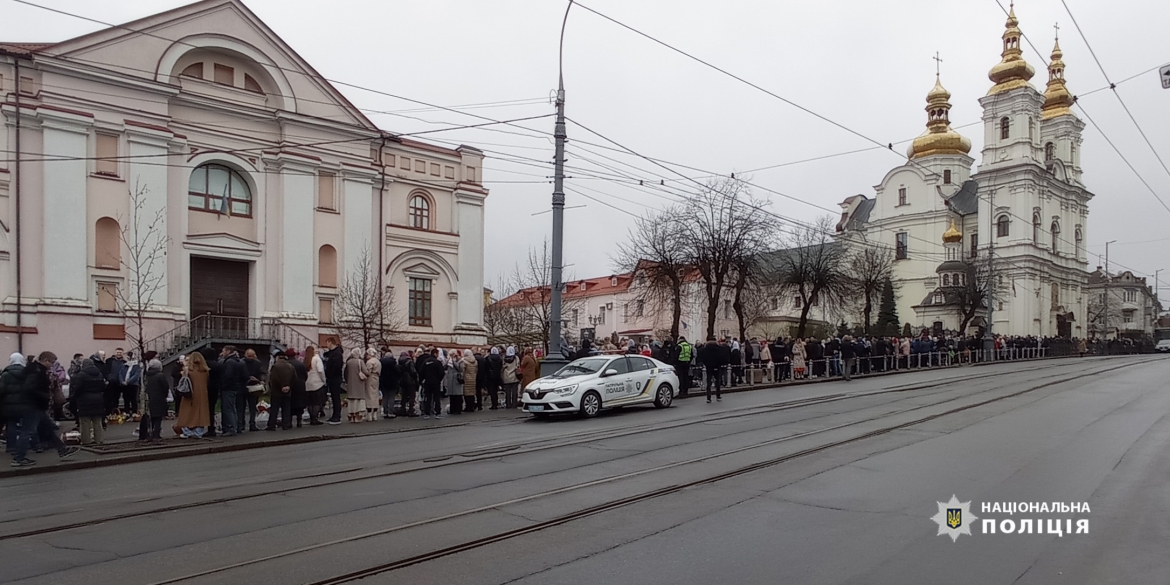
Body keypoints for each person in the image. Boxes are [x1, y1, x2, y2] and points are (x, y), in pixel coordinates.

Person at [3, 352, 80, 466]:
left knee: (48, 428)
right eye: (52, 363)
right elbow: (30, 388)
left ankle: (62, 449)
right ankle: (18, 458)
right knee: (27, 431)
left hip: (35, 405)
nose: (52, 365)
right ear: (46, 360)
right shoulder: (37, 372)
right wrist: (45, 396)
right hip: (32, 406)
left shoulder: (34, 369)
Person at [71, 358, 107, 446]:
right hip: (98, 399)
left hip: (84, 400)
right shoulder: (99, 374)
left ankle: (86, 441)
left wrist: (75, 397)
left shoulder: (82, 375)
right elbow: (103, 387)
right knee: (97, 422)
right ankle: (99, 440)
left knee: (85, 421)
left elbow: (78, 388)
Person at [175, 352, 211, 438]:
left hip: (190, 393)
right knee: (201, 413)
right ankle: (199, 432)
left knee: (186, 413)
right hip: (202, 394)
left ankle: (187, 432)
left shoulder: (188, 370)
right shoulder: (205, 371)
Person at [217, 346, 248, 436]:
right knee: (233, 409)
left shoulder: (229, 362)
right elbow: (245, 376)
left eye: (223, 351)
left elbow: (228, 376)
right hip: (236, 387)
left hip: (228, 388)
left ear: (228, 351)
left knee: (228, 409)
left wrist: (223, 385)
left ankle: (231, 428)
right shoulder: (239, 361)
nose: (222, 353)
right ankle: (236, 426)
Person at [139, 359, 168, 444]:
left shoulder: (145, 376)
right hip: (159, 399)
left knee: (149, 417)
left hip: (148, 399)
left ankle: (149, 434)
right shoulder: (160, 376)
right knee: (158, 418)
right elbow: (165, 388)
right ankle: (156, 435)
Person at [266, 350, 295, 430]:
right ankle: (286, 424)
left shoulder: (275, 366)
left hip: (276, 392)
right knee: (286, 409)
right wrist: (288, 386)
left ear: (277, 358)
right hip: (287, 391)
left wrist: (281, 386)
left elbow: (274, 379)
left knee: (274, 409)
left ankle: (271, 425)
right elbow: (295, 379)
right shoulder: (290, 366)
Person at [243, 349, 266, 432]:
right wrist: (261, 380)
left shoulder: (242, 362)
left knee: (243, 407)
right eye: (249, 356)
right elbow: (263, 373)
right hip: (253, 387)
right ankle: (251, 424)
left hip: (246, 386)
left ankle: (243, 424)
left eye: (251, 356)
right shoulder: (258, 363)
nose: (250, 358)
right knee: (252, 407)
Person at [699, 337, 728, 403]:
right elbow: (722, 357)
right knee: (717, 381)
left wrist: (706, 364)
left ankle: (708, 397)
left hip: (709, 367)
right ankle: (718, 395)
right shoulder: (719, 348)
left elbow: (702, 358)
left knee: (708, 382)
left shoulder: (705, 349)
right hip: (717, 366)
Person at [323, 339, 345, 425]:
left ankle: (337, 416)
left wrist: (330, 374)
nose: (326, 345)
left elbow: (336, 366)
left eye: (327, 343)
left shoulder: (337, 354)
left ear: (330, 343)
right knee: (333, 397)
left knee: (336, 398)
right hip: (332, 378)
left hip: (335, 378)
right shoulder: (333, 353)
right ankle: (334, 415)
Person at [420, 348, 446, 419]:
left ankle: (427, 413)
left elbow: (421, 372)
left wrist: (422, 380)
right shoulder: (437, 362)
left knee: (428, 398)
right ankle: (438, 413)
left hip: (427, 382)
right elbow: (442, 373)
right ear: (435, 354)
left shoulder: (426, 362)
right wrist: (439, 380)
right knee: (436, 398)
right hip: (436, 383)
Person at [303, 346, 326, 426]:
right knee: (317, 402)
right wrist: (323, 380)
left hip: (308, 384)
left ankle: (311, 417)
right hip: (317, 383)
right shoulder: (316, 359)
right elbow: (320, 371)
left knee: (310, 403)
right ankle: (315, 418)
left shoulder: (306, 360)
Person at [344, 348, 368, 423]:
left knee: (351, 399)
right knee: (359, 399)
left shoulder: (348, 362)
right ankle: (358, 415)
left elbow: (345, 373)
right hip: (359, 383)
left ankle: (351, 415)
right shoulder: (360, 361)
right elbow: (366, 372)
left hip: (350, 383)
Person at [287, 349, 308, 428]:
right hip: (300, 386)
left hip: (290, 386)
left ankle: (289, 422)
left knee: (290, 405)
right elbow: (305, 376)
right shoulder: (301, 364)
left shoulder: (287, 364)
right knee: (300, 405)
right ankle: (299, 421)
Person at [104, 348, 126, 417]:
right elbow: (106, 370)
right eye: (117, 352)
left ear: (122, 353)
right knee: (109, 398)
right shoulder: (109, 361)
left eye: (120, 352)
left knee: (116, 398)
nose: (119, 354)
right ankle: (108, 412)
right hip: (110, 382)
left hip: (119, 383)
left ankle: (115, 412)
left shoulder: (124, 362)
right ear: (115, 353)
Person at [379, 348, 400, 419]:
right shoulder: (394, 364)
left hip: (383, 382)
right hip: (392, 382)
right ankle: (390, 412)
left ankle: (385, 412)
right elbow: (398, 372)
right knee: (391, 397)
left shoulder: (381, 363)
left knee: (385, 397)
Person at [398, 351, 419, 417]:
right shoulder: (410, 361)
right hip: (410, 381)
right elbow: (413, 371)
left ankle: (403, 409)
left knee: (404, 396)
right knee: (412, 396)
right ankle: (411, 410)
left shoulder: (399, 362)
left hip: (402, 381)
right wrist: (416, 379)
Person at [121, 350, 141, 416]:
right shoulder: (124, 365)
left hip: (133, 385)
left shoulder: (136, 365)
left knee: (133, 399)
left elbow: (136, 375)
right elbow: (120, 373)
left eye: (128, 357)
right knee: (126, 399)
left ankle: (134, 412)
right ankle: (126, 412)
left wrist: (128, 381)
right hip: (124, 385)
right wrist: (122, 381)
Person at [364, 348, 382, 421]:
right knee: (375, 395)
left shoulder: (370, 362)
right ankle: (375, 414)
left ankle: (369, 416)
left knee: (369, 395)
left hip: (370, 378)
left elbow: (368, 372)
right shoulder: (378, 362)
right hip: (377, 378)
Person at [444, 349, 464, 415]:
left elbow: (460, 369)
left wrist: (453, 362)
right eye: (450, 355)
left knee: (457, 396)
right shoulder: (448, 360)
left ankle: (458, 410)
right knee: (452, 396)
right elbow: (444, 367)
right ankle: (452, 409)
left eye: (452, 354)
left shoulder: (460, 360)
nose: (451, 356)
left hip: (457, 379)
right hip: (450, 380)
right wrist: (447, 362)